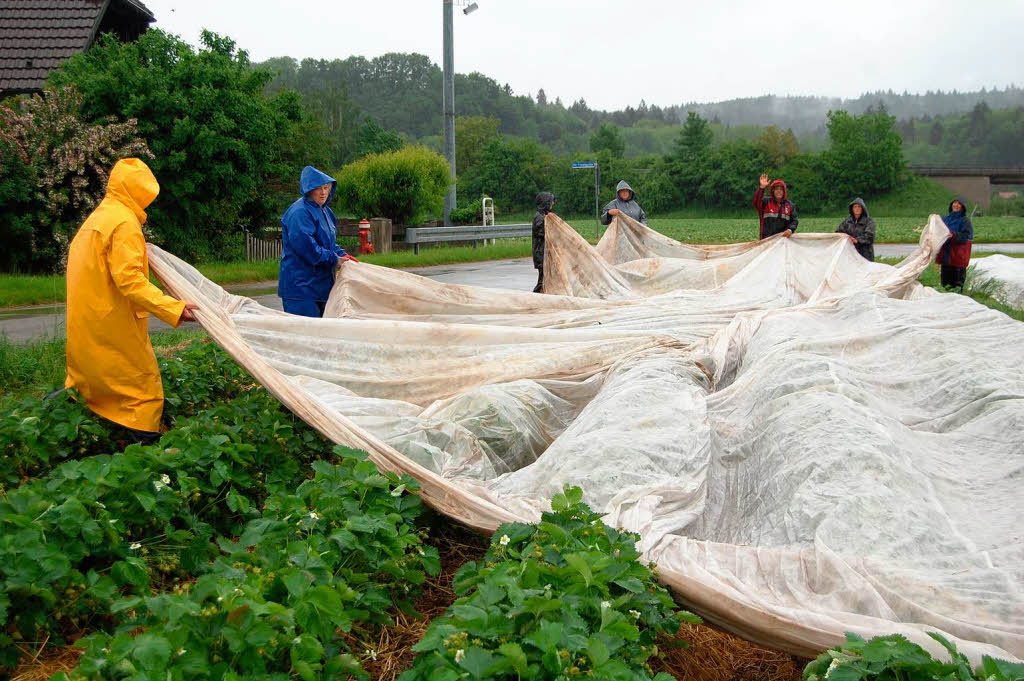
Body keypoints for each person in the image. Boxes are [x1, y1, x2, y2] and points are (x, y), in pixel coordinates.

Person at [64, 158, 199, 445]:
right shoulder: (124, 223)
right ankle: (145, 453)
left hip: (88, 326)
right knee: (143, 391)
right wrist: (174, 308)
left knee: (97, 384)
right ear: (138, 192)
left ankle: (93, 435)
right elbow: (130, 281)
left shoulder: (98, 218)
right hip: (115, 326)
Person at [278, 165, 358, 317]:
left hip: (322, 287)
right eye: (318, 188)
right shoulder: (299, 212)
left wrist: (343, 255)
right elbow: (308, 248)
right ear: (309, 190)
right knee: (304, 335)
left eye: (326, 188)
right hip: (300, 290)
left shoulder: (326, 212)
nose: (323, 193)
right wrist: (335, 260)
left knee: (322, 334)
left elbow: (329, 243)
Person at [936, 196, 973, 290]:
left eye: (959, 203)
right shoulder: (945, 219)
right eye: (954, 203)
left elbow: (966, 237)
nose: (956, 205)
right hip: (946, 256)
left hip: (958, 257)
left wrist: (953, 235)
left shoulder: (965, 221)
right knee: (945, 284)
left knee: (957, 285)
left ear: (962, 207)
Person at [752, 173, 798, 239]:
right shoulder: (766, 202)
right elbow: (756, 202)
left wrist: (790, 229)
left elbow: (794, 220)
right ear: (773, 191)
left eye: (781, 189)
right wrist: (762, 188)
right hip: (766, 240)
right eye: (776, 189)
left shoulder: (790, 205)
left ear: (784, 191)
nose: (779, 191)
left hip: (783, 241)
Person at [532, 192, 556, 293]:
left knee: (545, 278)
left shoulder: (543, 216)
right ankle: (535, 296)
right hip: (540, 253)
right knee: (542, 279)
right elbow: (542, 233)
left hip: (543, 252)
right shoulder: (539, 217)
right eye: (551, 202)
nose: (553, 204)